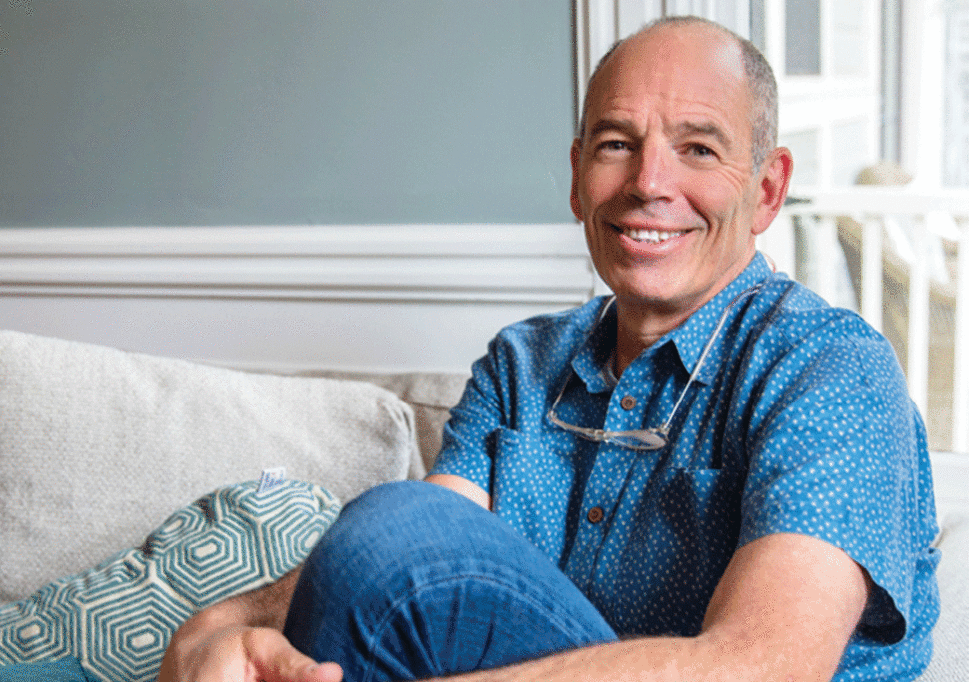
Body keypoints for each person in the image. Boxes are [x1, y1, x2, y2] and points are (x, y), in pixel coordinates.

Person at [158, 15, 939, 682]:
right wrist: (214, 627)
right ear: (576, 176)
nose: (649, 182)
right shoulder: (523, 365)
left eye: (699, 149)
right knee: (395, 528)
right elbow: (396, 563)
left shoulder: (830, 371)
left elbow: (764, 665)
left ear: (766, 190)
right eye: (616, 144)